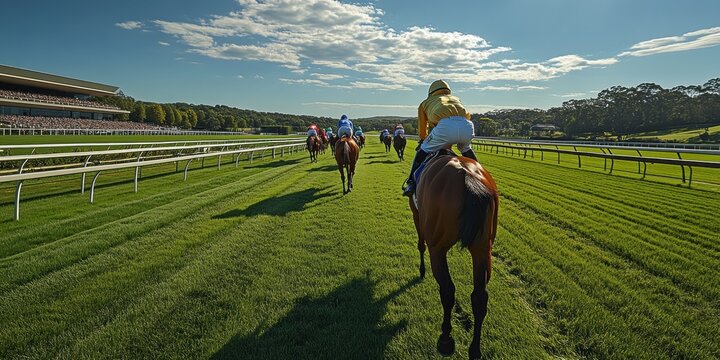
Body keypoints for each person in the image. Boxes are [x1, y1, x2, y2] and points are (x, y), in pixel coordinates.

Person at [403, 80, 477, 197]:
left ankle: (411, 182)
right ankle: (478, 172)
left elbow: (423, 128)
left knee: (423, 150)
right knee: (466, 149)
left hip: (445, 127)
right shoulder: (456, 99)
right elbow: (467, 115)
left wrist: (424, 139)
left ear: (431, 92)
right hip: (467, 125)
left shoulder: (425, 103)